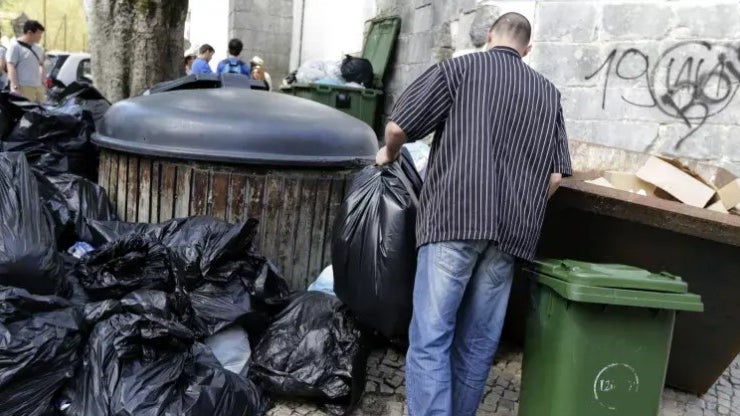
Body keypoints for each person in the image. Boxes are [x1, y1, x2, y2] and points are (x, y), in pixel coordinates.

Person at [375, 13, 572, 416]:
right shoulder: (548, 93)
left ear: (488, 36)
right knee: (478, 343)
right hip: (511, 233)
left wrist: (387, 155)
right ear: (528, 49)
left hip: (454, 218)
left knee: (431, 336)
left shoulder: (460, 69)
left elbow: (398, 128)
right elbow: (554, 177)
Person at [6, 20, 46, 102]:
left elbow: (41, 64)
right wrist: (15, 87)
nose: (40, 36)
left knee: (42, 112)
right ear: (30, 33)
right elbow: (10, 66)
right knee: (26, 113)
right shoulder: (15, 46)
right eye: (39, 33)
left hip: (39, 87)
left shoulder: (39, 48)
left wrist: (43, 81)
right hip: (24, 87)